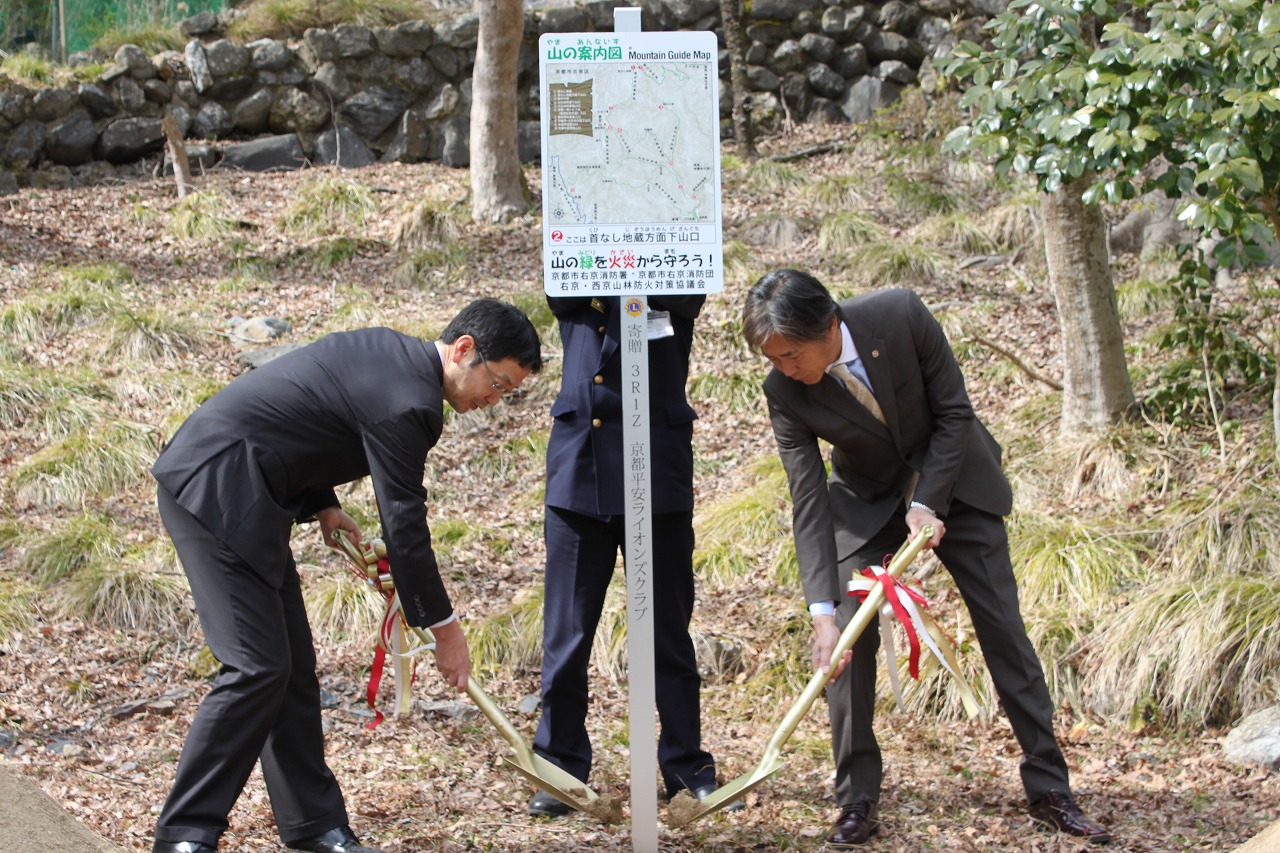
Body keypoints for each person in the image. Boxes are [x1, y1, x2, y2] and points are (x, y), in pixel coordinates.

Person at [150, 299, 543, 853]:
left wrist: (324, 504)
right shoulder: (412, 403)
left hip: (251, 495)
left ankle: (313, 827)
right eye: (497, 383)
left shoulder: (390, 354)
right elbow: (405, 526)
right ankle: (185, 834)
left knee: (290, 669)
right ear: (463, 350)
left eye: (507, 393)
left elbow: (302, 412)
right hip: (214, 488)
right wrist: (446, 630)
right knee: (256, 667)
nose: (492, 400)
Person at [740, 269, 1110, 847]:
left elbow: (955, 413)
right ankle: (856, 798)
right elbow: (807, 499)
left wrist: (927, 502)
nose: (784, 368)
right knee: (844, 642)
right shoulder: (784, 391)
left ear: (829, 325)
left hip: (955, 481)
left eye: (790, 354)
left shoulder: (900, 315)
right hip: (865, 503)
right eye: (772, 358)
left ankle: (1050, 787)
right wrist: (820, 611)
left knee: (1004, 630)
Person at [526, 294, 740, 815]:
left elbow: (689, 292)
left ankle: (687, 768)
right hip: (582, 467)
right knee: (568, 634)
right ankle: (560, 770)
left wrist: (641, 265)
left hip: (658, 465)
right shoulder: (578, 257)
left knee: (667, 631)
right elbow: (562, 289)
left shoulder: (673, 264)